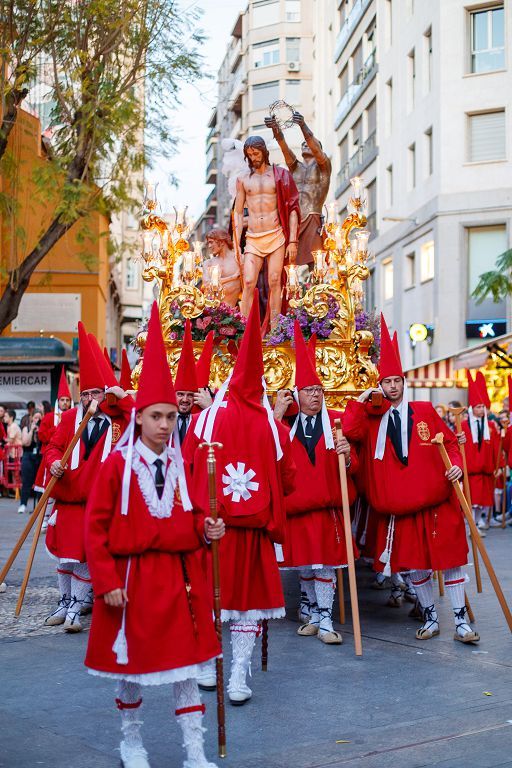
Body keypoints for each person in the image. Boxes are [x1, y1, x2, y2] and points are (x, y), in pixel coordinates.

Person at [84, 302, 223, 768]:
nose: (165, 424)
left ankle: (195, 751)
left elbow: (195, 517)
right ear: (140, 417)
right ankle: (131, 742)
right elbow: (95, 527)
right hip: (130, 582)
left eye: (170, 416)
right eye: (156, 416)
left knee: (186, 672)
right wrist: (105, 582)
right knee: (132, 673)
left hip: (176, 583)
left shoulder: (183, 466)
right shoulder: (115, 467)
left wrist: (207, 528)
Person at [186, 290, 295, 705]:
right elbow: (288, 479)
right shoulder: (272, 426)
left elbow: (191, 465)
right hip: (254, 534)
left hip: (214, 528)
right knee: (247, 607)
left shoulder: (208, 416)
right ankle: (237, 676)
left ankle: (206, 666)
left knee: (212, 598)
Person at [343, 314, 480, 645]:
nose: (392, 386)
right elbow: (349, 432)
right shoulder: (373, 421)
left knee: (450, 562)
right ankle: (430, 616)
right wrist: (362, 402)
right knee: (416, 566)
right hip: (401, 509)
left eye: (397, 381)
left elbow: (450, 444)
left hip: (437, 501)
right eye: (386, 382)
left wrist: (457, 466)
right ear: (381, 384)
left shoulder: (426, 411)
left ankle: (461, 622)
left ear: (404, 383)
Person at [44, 323, 134, 633]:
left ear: (105, 393)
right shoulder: (70, 418)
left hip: (98, 504)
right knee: (65, 556)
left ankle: (77, 608)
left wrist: (118, 396)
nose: (89, 399)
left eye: (95, 393)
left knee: (85, 554)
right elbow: (53, 447)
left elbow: (138, 414)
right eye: (84, 393)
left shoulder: (118, 422)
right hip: (68, 500)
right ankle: (66, 601)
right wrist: (54, 462)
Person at [273, 322, 357, 645]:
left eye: (319, 391)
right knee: (304, 564)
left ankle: (325, 620)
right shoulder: (286, 424)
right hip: (297, 510)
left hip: (326, 510)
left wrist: (348, 455)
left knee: (323, 564)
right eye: (309, 391)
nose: (315, 396)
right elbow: (270, 450)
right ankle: (313, 612)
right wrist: (278, 415)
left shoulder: (336, 422)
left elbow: (354, 465)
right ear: (297, 394)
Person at [234, 135, 300, 325]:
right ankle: (244, 329)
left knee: (274, 280)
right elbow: (238, 213)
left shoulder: (280, 175)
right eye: (249, 155)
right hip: (253, 237)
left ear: (264, 152)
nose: (253, 158)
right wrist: (236, 243)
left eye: (256, 153)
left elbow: (292, 210)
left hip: (276, 234)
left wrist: (293, 240)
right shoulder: (243, 179)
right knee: (247, 282)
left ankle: (275, 328)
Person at [265, 111, 331, 268]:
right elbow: (283, 147)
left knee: (316, 263)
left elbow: (315, 148)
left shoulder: (323, 166)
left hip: (312, 217)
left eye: (308, 143)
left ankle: (317, 291)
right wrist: (275, 129)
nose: (305, 144)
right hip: (292, 220)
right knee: (287, 264)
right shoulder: (295, 167)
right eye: (302, 144)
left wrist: (302, 125)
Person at [457, 372, 500, 535]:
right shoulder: (464, 425)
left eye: (483, 406)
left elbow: (495, 446)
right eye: (478, 407)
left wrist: (498, 465)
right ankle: (472, 523)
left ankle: (480, 520)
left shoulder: (490, 425)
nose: (482, 409)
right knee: (472, 499)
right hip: (471, 469)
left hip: (486, 469)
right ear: (472, 408)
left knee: (483, 498)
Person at [34, 368, 73, 531]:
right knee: (46, 490)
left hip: (68, 459)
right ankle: (43, 519)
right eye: (62, 400)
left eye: (67, 400)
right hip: (49, 460)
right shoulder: (50, 417)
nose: (65, 402)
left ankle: (55, 517)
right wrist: (57, 429)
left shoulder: (74, 416)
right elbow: (42, 435)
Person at [203, 229, 242, 308]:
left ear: (221, 241)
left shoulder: (239, 260)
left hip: (232, 313)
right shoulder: (208, 263)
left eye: (211, 242)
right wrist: (233, 277)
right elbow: (207, 285)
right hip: (210, 311)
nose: (209, 246)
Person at [18, 408, 43, 513]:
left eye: (39, 418)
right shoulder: (26, 428)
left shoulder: (42, 428)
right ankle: (23, 504)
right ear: (32, 418)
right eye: (35, 417)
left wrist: (38, 432)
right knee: (26, 481)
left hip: (38, 456)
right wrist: (32, 431)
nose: (37, 419)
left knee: (39, 482)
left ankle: (39, 505)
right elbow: (25, 443)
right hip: (28, 456)